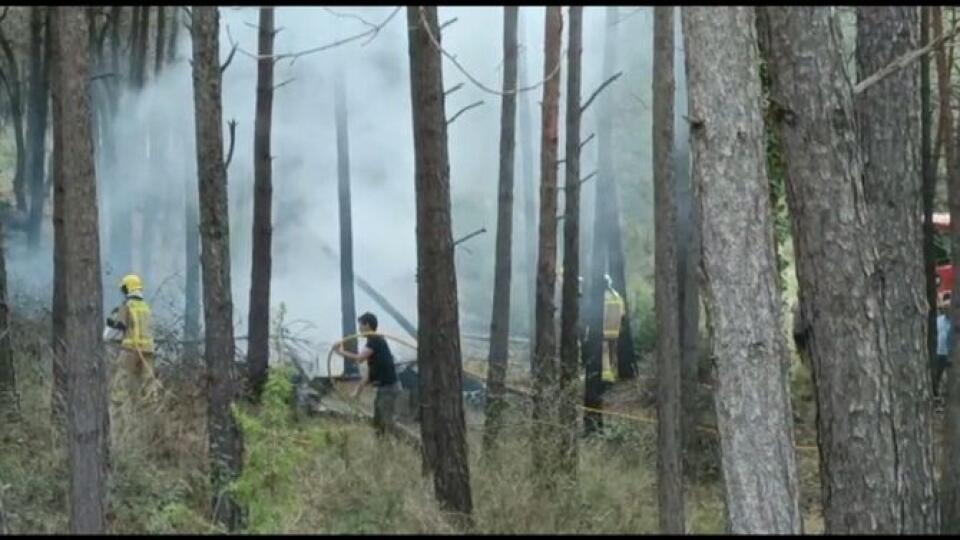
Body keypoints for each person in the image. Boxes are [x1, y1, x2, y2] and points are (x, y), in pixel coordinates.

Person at [334, 312, 400, 436]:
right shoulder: (375, 343)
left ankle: (397, 445)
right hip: (386, 388)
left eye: (360, 325)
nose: (359, 329)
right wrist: (357, 392)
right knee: (379, 421)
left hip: (388, 388)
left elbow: (359, 358)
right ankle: (384, 446)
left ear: (367, 325)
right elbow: (370, 374)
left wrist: (339, 352)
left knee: (385, 422)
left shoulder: (375, 340)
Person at [105, 273, 157, 413]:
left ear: (128, 288)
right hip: (148, 351)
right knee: (148, 383)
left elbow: (120, 327)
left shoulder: (127, 305)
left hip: (130, 350)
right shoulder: (146, 307)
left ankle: (117, 411)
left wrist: (110, 325)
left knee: (121, 382)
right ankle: (151, 412)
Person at [935, 296, 953, 399]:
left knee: (951, 377)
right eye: (945, 307)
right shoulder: (938, 320)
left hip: (950, 354)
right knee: (937, 375)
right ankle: (936, 394)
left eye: (948, 308)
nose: (946, 310)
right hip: (939, 352)